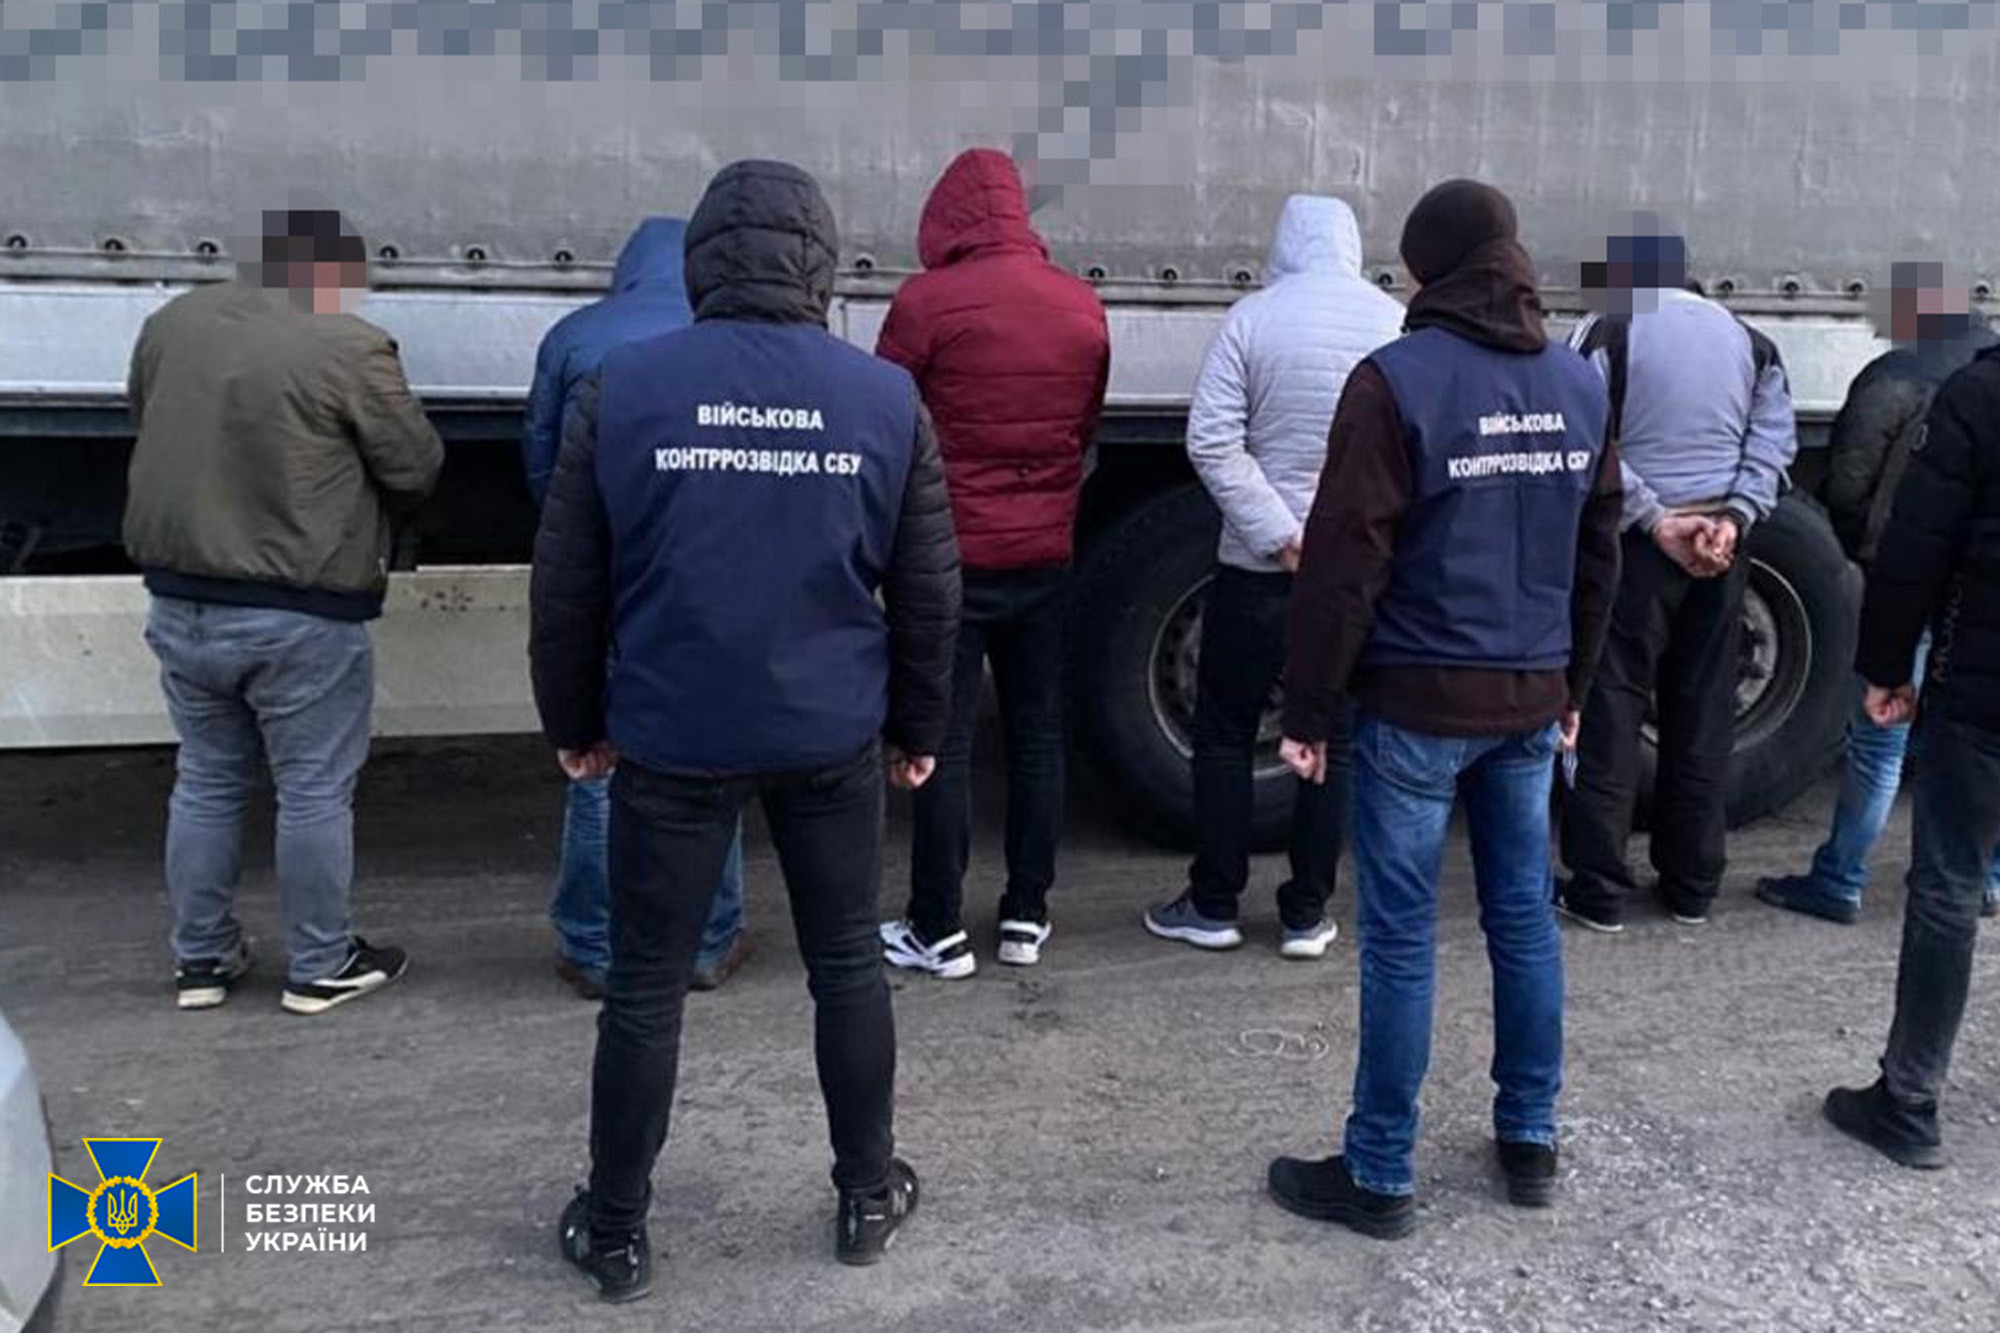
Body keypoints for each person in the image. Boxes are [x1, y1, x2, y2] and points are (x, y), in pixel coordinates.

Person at [530, 160, 960, 1301]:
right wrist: (919, 725)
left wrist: (574, 721)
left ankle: (615, 1228)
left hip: (672, 729)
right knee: (846, 965)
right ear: (820, 265)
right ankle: (865, 1194)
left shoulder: (622, 388)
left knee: (644, 986)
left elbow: (567, 584)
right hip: (829, 731)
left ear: (699, 262)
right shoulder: (883, 399)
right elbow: (928, 589)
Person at [1268, 179, 1622, 1237]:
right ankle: (1529, 1136)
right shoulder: (1577, 382)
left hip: (1417, 702)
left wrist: (1308, 708)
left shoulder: (1395, 381)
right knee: (1523, 918)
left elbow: (1345, 562)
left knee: (1401, 937)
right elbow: (1598, 552)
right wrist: (1573, 686)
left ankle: (1379, 1171)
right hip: (1529, 699)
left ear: (1427, 269)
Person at [124, 208, 444, 1016]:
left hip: (180, 599)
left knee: (205, 778)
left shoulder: (172, 324)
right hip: (299, 607)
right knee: (312, 789)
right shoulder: (346, 345)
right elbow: (414, 465)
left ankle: (201, 959)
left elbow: (144, 416)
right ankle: (320, 963)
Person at [1142, 194, 1405, 960]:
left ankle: (1214, 901)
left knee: (1225, 734)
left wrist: (1281, 536)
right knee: (1334, 737)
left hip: (1255, 572)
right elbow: (1404, 454)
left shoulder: (1252, 319)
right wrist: (1339, 545)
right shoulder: (1391, 325)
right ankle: (1306, 913)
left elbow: (1211, 441)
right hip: (1351, 579)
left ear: (1284, 244)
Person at [873, 148, 1109, 979]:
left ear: (948, 216)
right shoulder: (1081, 305)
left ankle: (936, 926)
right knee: (1038, 735)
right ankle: (1026, 914)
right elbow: (1083, 427)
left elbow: (886, 422)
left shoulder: (924, 303)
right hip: (1044, 553)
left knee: (940, 738)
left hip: (950, 559)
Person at [523, 216, 751, 1000]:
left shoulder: (575, 336)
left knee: (598, 762)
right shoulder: (728, 343)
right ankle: (709, 939)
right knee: (714, 756)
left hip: (611, 578)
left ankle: (593, 944)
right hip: (708, 581)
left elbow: (544, 464)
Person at [1555, 225, 1798, 931]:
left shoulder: (1608, 330)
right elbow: (1771, 445)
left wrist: (1657, 520)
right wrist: (1733, 519)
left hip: (1633, 551)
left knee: (1610, 712)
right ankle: (1692, 885)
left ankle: (1598, 888)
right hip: (1721, 552)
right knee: (1702, 714)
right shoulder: (1750, 341)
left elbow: (1584, 441)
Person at [1758, 264, 2000, 925]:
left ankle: (1841, 877)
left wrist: (1859, 552)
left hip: (1912, 578)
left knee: (1880, 738)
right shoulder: (1986, 368)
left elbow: (1850, 482)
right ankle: (1986, 874)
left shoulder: (1894, 375)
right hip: (1983, 594)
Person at [1822, 338, 2000, 1170]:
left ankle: (1909, 1098)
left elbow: (1916, 544)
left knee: (1948, 889)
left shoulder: (1979, 396)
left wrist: (1888, 665)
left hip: (1983, 693)